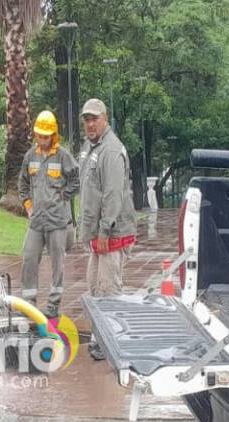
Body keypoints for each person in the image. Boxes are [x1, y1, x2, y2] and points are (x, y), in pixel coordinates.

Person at [18, 110, 80, 318]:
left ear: (53, 135)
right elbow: (23, 183)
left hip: (57, 221)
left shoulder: (63, 156)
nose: (42, 139)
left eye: (45, 136)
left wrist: (63, 196)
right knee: (28, 257)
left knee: (57, 265)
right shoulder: (30, 156)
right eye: (39, 135)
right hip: (37, 221)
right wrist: (28, 205)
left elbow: (75, 180)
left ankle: (53, 306)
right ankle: (29, 303)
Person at [78, 98, 136, 298]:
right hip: (97, 234)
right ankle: (98, 330)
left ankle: (113, 329)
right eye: (86, 120)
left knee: (108, 294)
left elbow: (113, 194)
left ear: (105, 119)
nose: (90, 124)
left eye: (94, 119)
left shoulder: (111, 149)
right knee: (94, 290)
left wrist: (104, 231)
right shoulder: (89, 146)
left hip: (112, 235)